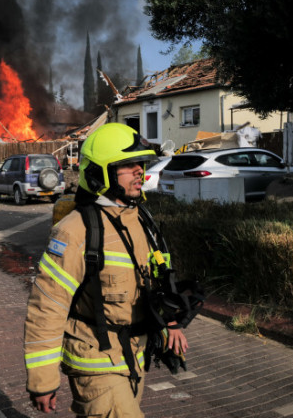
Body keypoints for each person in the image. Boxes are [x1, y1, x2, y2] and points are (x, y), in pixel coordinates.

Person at [24, 123, 195, 417]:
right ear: (100, 173)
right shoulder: (75, 231)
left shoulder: (141, 220)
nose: (140, 171)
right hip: (95, 363)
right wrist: (42, 380)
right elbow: (47, 307)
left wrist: (170, 322)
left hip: (134, 359)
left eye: (140, 163)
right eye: (127, 165)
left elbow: (152, 283)